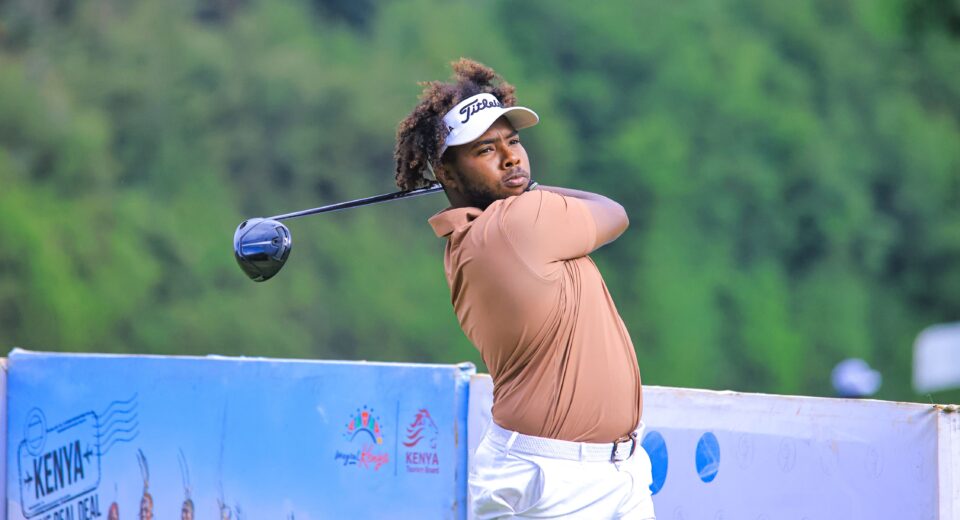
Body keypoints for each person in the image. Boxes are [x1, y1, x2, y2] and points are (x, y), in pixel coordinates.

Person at [395, 58, 655, 519]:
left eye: (513, 142)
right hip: (551, 481)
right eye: (486, 151)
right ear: (448, 174)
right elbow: (614, 212)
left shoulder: (485, 229)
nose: (512, 157)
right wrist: (531, 188)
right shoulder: (518, 222)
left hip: (612, 472)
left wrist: (520, 187)